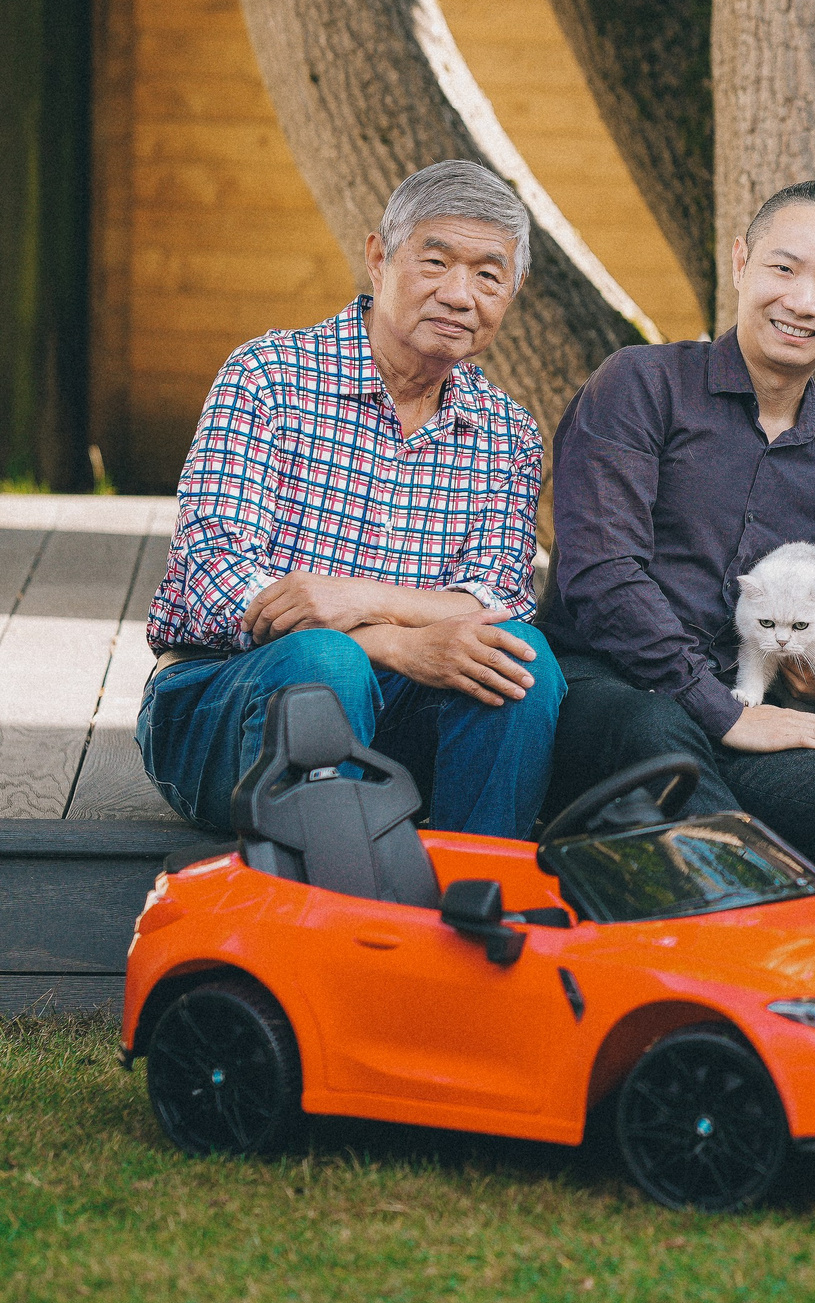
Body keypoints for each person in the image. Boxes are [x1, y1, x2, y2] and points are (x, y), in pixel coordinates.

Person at [542, 180, 815, 914]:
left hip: (748, 717)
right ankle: (795, 983)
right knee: (663, 734)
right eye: (784, 268)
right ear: (742, 262)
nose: (804, 301)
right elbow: (601, 575)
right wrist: (721, 709)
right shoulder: (641, 385)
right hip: (607, 698)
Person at [138, 160, 563, 841]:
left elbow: (497, 596)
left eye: (489, 274)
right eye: (436, 261)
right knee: (325, 663)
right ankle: (327, 913)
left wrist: (359, 600)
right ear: (378, 258)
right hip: (222, 701)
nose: (460, 294)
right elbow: (213, 580)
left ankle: (477, 888)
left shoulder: (506, 431)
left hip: (397, 715)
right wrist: (390, 643)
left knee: (519, 659)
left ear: (511, 292)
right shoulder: (268, 375)